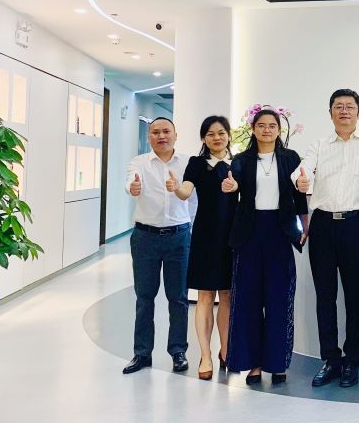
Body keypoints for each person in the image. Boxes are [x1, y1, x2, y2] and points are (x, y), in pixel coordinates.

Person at [293, 89, 359, 388]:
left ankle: (351, 362)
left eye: (350, 106)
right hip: (322, 226)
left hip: (357, 226)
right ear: (330, 112)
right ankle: (330, 359)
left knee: (356, 297)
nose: (344, 111)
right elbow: (301, 172)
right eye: (338, 106)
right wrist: (301, 180)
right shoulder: (319, 145)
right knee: (325, 296)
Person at [222, 108, 308, 385]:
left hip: (280, 231)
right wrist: (231, 187)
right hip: (249, 232)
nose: (267, 130)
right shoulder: (242, 160)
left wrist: (304, 224)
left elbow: (299, 194)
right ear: (254, 129)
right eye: (261, 125)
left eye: (272, 125)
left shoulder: (290, 158)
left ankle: (277, 362)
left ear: (279, 130)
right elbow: (233, 186)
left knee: (279, 298)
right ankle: (254, 364)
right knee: (248, 299)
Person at [122, 117, 195, 375]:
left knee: (178, 298)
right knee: (144, 297)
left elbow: (193, 194)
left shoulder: (188, 162)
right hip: (145, 238)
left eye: (166, 131)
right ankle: (142, 353)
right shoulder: (139, 162)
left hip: (179, 237)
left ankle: (178, 351)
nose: (161, 136)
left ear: (175, 135)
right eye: (155, 132)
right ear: (149, 136)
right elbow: (130, 183)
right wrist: (133, 187)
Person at [166, 115, 237, 380]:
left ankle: (226, 350)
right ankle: (205, 355)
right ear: (203, 139)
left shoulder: (238, 163)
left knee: (227, 295)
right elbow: (186, 191)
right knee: (205, 296)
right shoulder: (196, 164)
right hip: (205, 236)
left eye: (221, 133)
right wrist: (176, 189)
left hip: (232, 237)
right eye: (210, 134)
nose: (216, 138)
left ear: (228, 135)